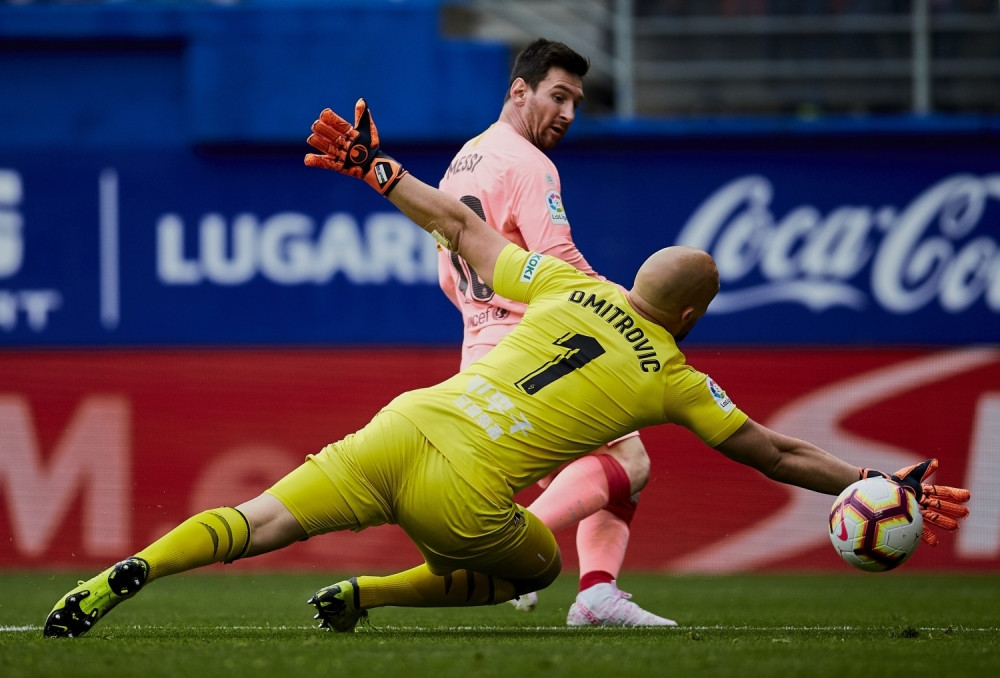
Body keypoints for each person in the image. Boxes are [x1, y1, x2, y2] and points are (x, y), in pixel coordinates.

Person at [43, 100, 971, 638]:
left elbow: (461, 226)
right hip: (470, 497)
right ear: (693, 317)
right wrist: (874, 478)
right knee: (527, 568)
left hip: (406, 423)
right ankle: (373, 593)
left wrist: (376, 169)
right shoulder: (675, 378)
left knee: (261, 518)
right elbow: (772, 455)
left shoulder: (565, 290)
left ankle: (131, 570)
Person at [436, 38, 667, 626]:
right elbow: (557, 257)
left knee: (604, 472)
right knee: (630, 462)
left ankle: (591, 591)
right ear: (520, 90)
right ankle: (524, 558)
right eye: (557, 97)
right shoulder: (529, 163)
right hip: (537, 349)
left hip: (482, 350)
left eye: (576, 102)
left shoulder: (463, 159)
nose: (568, 113)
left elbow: (447, 273)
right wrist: (628, 306)